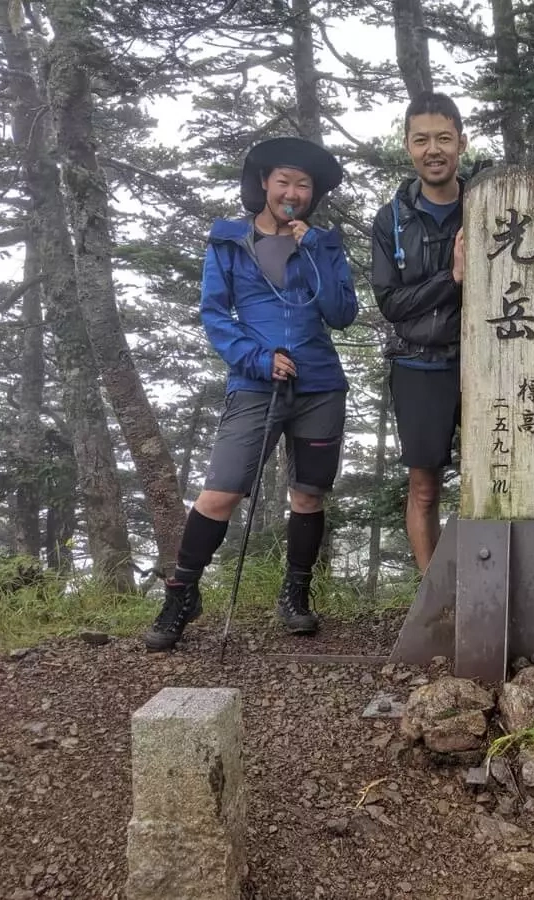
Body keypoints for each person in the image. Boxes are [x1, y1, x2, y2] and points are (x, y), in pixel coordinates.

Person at [143, 136, 358, 652]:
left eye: (302, 184)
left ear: (313, 193)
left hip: (320, 384)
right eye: (283, 180)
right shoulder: (228, 241)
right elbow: (215, 314)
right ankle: (182, 594)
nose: (292, 191)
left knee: (308, 494)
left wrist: (316, 252)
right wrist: (258, 358)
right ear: (264, 182)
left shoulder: (325, 243)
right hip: (254, 383)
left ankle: (296, 593)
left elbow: (342, 314)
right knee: (221, 492)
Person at [371, 92, 477, 573]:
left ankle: (484, 586)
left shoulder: (486, 203)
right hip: (416, 363)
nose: (433, 149)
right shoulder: (391, 219)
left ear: (461, 142)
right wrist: (450, 280)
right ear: (408, 146)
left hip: (482, 363)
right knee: (424, 485)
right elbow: (391, 303)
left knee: (493, 474)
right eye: (421, 140)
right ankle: (431, 592)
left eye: (443, 138)